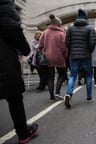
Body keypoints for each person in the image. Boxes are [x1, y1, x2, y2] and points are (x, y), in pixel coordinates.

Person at [0, 0, 39, 143]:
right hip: (5, 64)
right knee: (15, 99)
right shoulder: (6, 14)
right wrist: (22, 50)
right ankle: (23, 133)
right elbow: (21, 43)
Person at [64, 8, 96, 109]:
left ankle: (69, 93)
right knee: (88, 76)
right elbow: (92, 43)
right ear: (86, 17)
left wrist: (72, 50)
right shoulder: (90, 28)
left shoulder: (70, 28)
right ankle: (89, 97)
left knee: (73, 75)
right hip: (86, 56)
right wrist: (88, 51)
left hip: (73, 56)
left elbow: (67, 43)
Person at [39, 14, 68, 100]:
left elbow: (40, 45)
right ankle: (57, 92)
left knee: (50, 77)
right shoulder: (62, 33)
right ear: (58, 24)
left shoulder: (45, 32)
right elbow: (64, 47)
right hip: (59, 57)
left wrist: (44, 52)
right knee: (62, 74)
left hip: (47, 57)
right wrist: (65, 55)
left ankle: (51, 96)